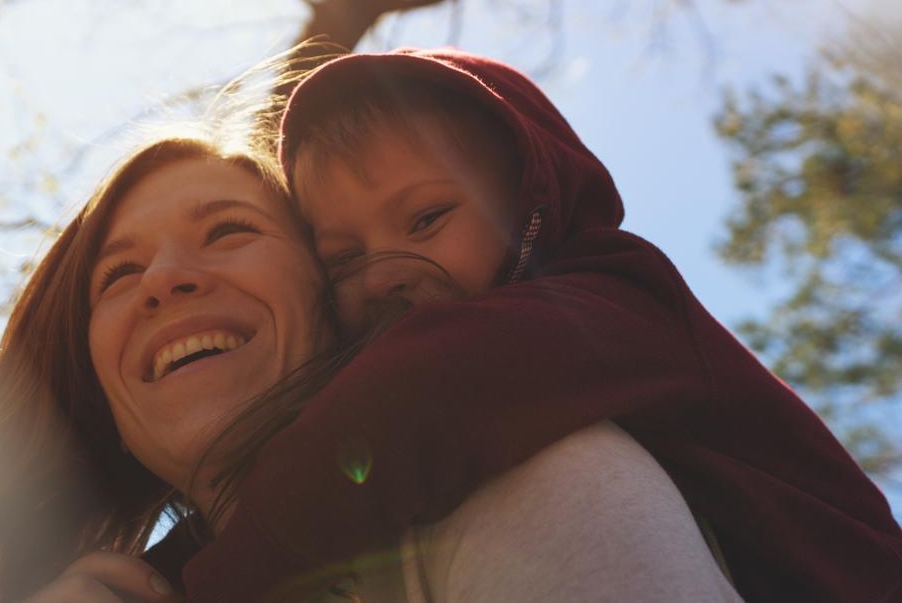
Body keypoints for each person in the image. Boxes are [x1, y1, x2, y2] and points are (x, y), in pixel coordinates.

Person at [0, 129, 733, 603]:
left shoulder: (518, 471)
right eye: (118, 274)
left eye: (226, 231)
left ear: (335, 291)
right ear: (100, 396)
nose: (165, 281)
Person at [181, 48, 902, 602]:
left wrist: (203, 578)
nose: (383, 272)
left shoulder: (611, 300)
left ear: (532, 198)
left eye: (427, 219)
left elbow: (424, 392)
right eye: (343, 258)